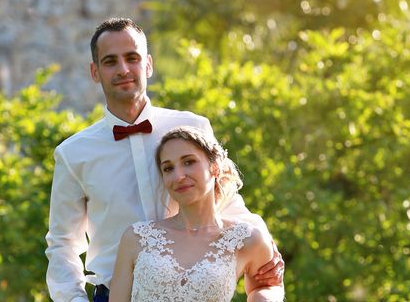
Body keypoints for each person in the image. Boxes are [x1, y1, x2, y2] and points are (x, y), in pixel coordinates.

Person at [45, 18, 283, 302]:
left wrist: (265, 247)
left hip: (196, 290)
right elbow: (62, 244)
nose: (123, 69)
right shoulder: (73, 153)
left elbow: (226, 201)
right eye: (110, 62)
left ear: (148, 64)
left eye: (131, 58)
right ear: (95, 72)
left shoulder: (191, 126)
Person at [109, 126, 284, 302]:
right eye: (168, 168)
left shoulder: (246, 239)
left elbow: (267, 285)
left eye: (189, 162)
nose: (178, 176)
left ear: (215, 168)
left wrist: (265, 297)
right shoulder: (137, 237)